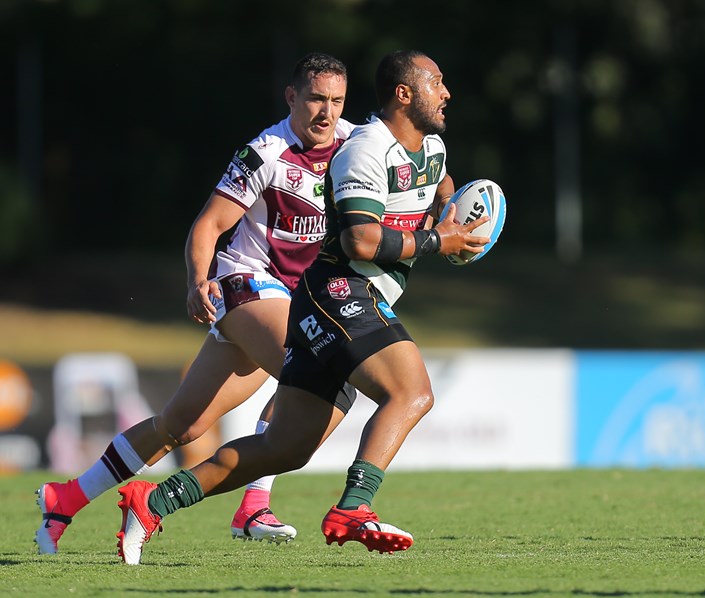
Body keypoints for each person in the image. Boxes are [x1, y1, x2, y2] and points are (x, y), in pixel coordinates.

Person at [114, 49, 491, 564]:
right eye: (437, 82)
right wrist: (434, 243)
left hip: (341, 302)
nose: (447, 93)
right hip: (336, 292)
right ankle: (354, 509)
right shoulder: (365, 149)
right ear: (404, 94)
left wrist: (458, 216)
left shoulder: (433, 149)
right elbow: (360, 239)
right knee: (412, 392)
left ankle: (151, 501)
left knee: (285, 449)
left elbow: (441, 189)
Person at [34, 52, 357, 554]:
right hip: (249, 286)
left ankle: (65, 497)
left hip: (295, 301)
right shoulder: (265, 153)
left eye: (336, 100)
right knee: (316, 375)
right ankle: (253, 504)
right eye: (316, 98)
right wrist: (195, 281)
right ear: (292, 96)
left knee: (180, 426)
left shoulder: (355, 145)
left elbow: (415, 166)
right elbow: (207, 226)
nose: (327, 112)